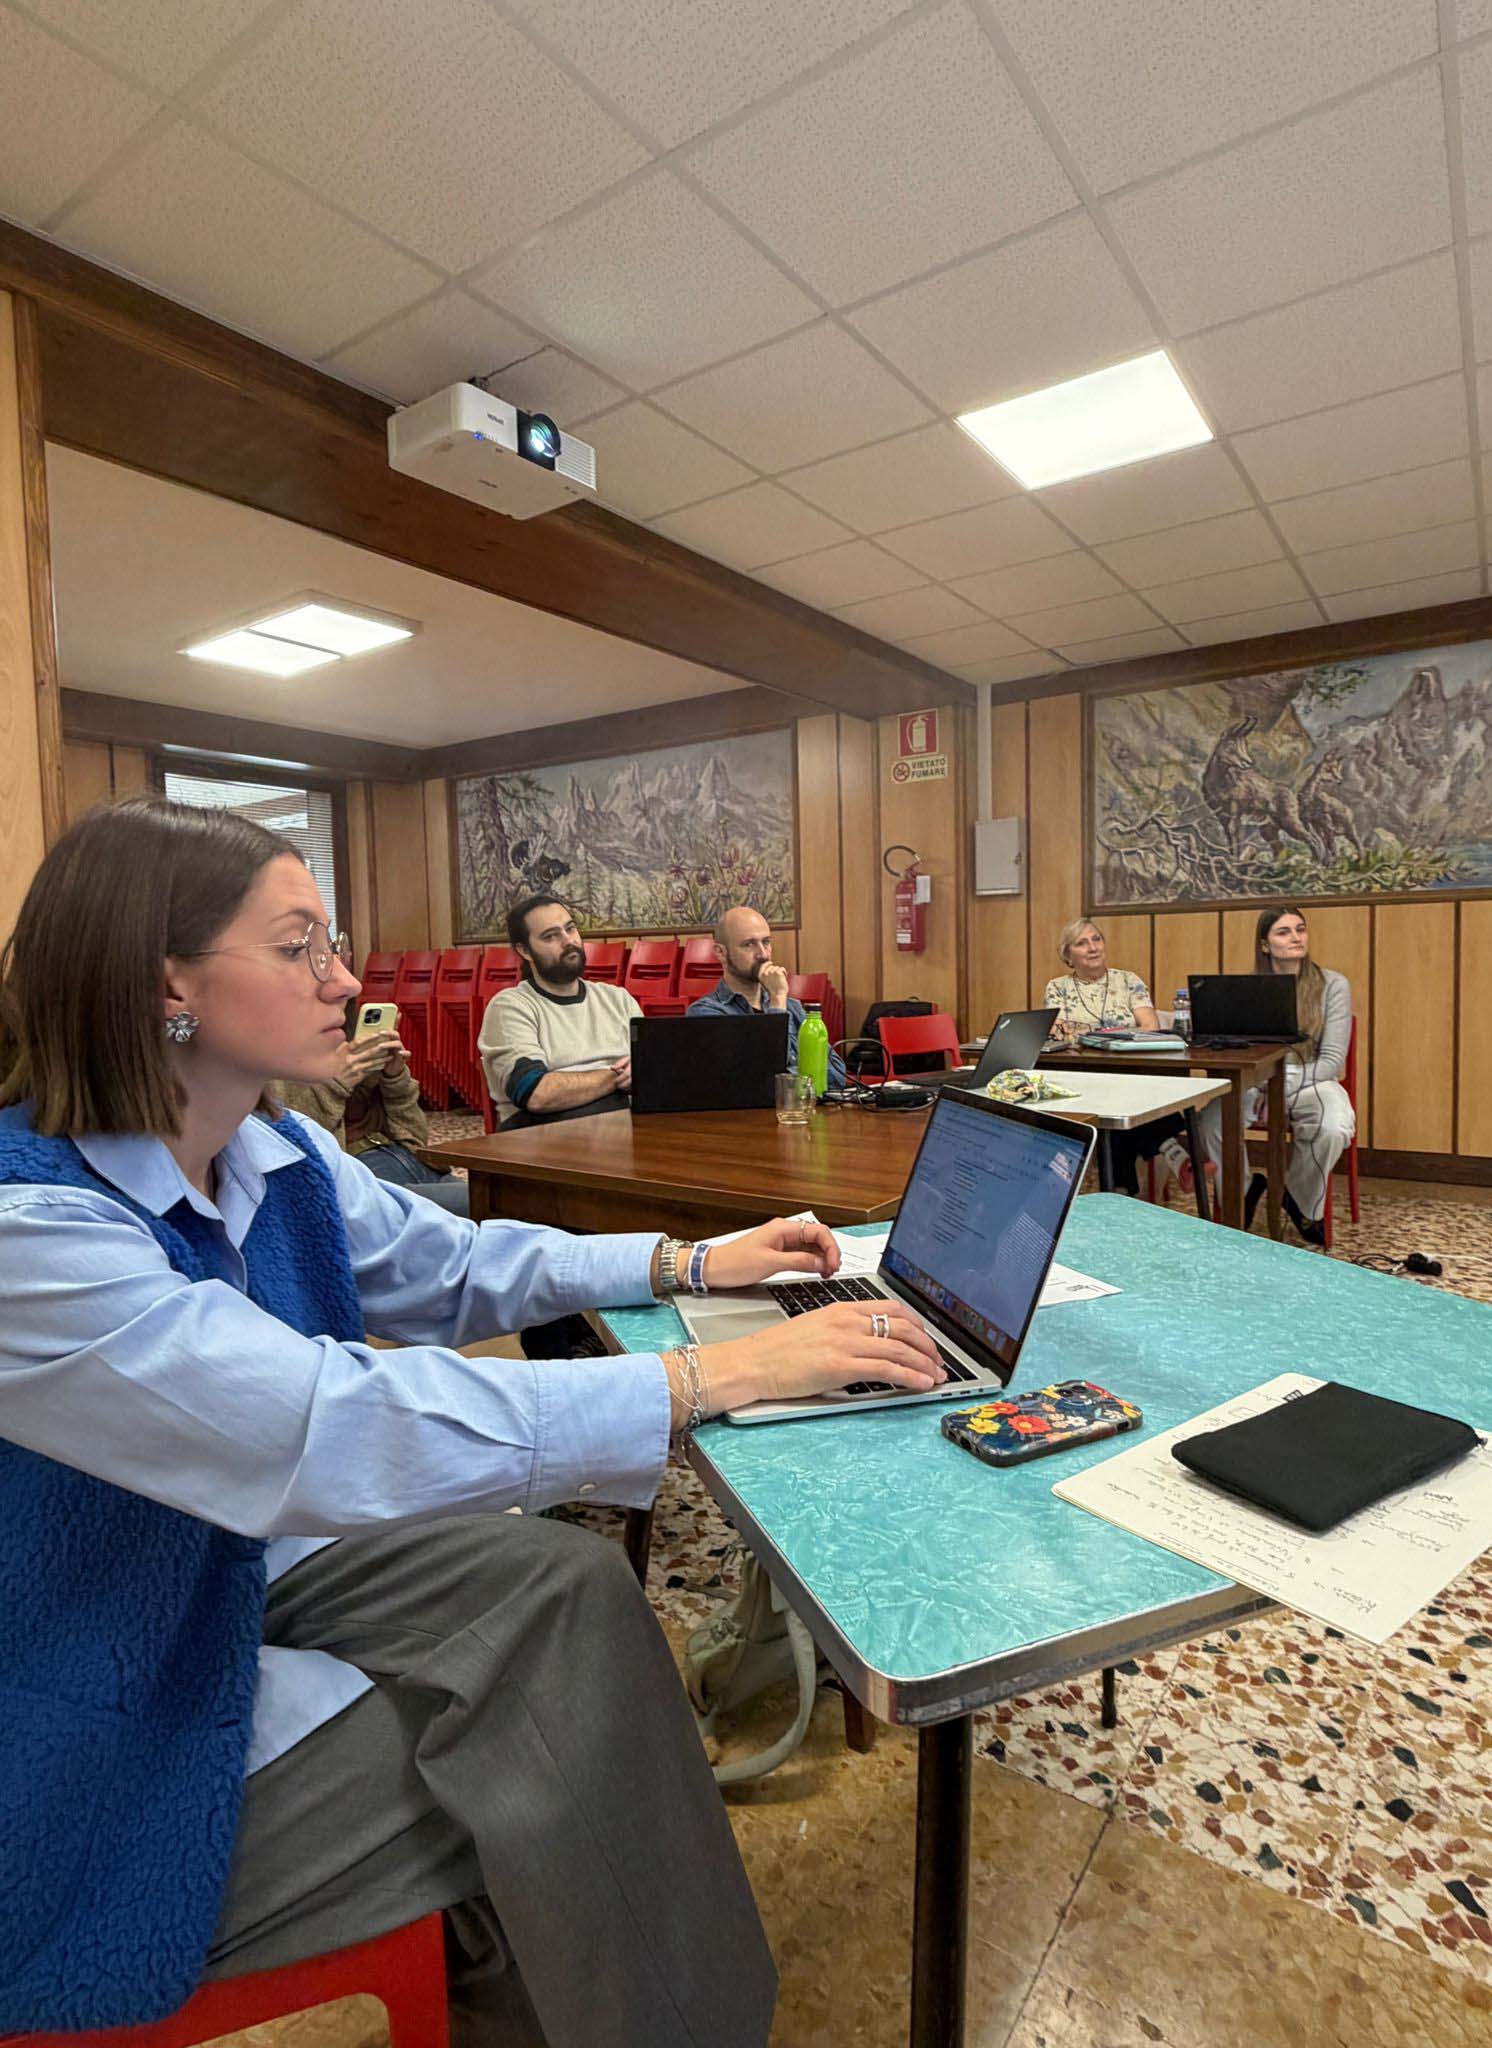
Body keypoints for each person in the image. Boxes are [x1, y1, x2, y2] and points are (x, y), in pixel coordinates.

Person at [0, 798, 945, 2046]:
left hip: (233, 1572)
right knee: (561, 1769)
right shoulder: (31, 1233)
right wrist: (708, 1378)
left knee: (573, 1595)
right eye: (298, 946)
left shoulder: (271, 1151)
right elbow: (322, 1423)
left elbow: (456, 1263)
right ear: (166, 982)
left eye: (333, 942)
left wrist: (686, 1262)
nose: (346, 978)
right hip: (86, 1701)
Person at [1213, 905, 1355, 1244]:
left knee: (1333, 1128)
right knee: (1210, 1122)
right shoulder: (1246, 989)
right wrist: (1265, 1087)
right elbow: (1238, 1051)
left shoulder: (1333, 984)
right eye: (1284, 931)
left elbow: (1332, 1060)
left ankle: (1299, 1199)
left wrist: (1281, 1089)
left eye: (1300, 929)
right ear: (1265, 945)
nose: (1296, 937)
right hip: (1256, 1080)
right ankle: (1243, 1191)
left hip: (1312, 1078)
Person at [1043, 917, 1189, 1196]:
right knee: (1120, 1101)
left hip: (1128, 1068)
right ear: (1068, 955)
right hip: (1082, 1075)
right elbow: (1059, 1031)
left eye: (1096, 939)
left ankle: (1119, 1189)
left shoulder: (1128, 980)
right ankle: (1173, 1152)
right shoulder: (1058, 987)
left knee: (1121, 1101)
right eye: (1082, 943)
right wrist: (1115, 1034)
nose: (1093, 947)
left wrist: (1086, 1033)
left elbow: (1150, 1026)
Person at [276, 1003, 468, 1214]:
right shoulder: (274, 1060)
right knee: (481, 1205)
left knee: (489, 1199)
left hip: (409, 1159)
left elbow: (415, 1137)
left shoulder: (349, 1043)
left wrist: (394, 1078)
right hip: (361, 1175)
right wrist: (335, 1085)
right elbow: (296, 1149)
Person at [477, 896, 641, 1127]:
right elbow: (535, 1093)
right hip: (545, 1135)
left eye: (570, 928)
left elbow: (653, 1068)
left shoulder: (618, 999)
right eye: (550, 936)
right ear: (524, 950)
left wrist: (644, 1070)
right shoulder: (510, 1007)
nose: (568, 941)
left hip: (626, 1129)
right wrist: (617, 1077)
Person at [686, 905, 847, 1087]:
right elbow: (758, 1083)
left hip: (805, 1106)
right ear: (720, 953)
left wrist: (791, 1078)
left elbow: (837, 1075)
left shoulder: (793, 1007)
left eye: (766, 942)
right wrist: (777, 1002)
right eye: (749, 944)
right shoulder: (706, 1013)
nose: (763, 954)